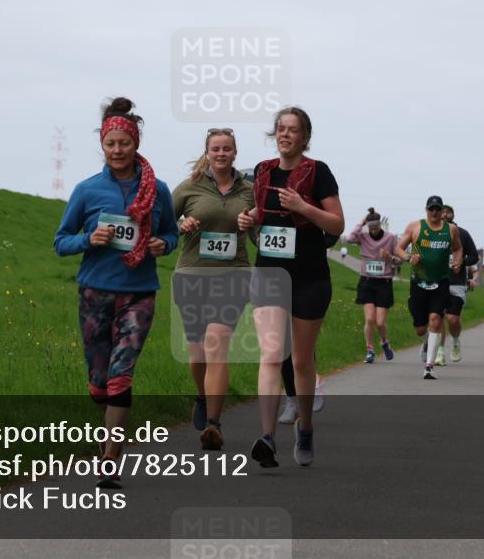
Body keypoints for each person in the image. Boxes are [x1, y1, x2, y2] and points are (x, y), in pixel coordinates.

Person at [53, 97, 179, 488]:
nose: (118, 150)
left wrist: (164, 244)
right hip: (95, 292)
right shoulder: (87, 190)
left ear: (136, 143)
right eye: (111, 144)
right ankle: (103, 408)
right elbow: (60, 241)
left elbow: (171, 233)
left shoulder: (157, 190)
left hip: (139, 291)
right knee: (99, 382)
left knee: (121, 376)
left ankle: (110, 460)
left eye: (125, 143)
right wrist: (90, 238)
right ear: (103, 147)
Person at [238, 106, 344, 468]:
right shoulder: (263, 172)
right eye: (280, 129)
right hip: (269, 273)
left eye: (293, 130)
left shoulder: (318, 172)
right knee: (270, 354)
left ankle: (306, 427)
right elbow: (260, 219)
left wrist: (303, 206)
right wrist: (248, 218)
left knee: (300, 360)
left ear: (305, 137)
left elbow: (337, 224)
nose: (285, 135)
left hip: (310, 277)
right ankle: (267, 437)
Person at [172, 128, 254, 451]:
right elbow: (164, 221)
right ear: (207, 152)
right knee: (198, 356)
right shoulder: (189, 187)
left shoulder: (250, 191)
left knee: (216, 342)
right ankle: (202, 397)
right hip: (191, 276)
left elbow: (263, 233)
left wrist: (253, 223)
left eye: (227, 149)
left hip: (233, 276)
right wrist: (181, 225)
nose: (221, 154)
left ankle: (213, 425)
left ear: (235, 153)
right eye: (216, 149)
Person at [392, 196, 463, 380]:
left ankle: (429, 366)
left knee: (436, 320)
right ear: (426, 210)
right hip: (419, 283)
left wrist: (457, 261)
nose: (434, 212)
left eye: (437, 209)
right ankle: (427, 343)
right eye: (431, 209)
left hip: (441, 282)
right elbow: (398, 248)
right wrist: (408, 257)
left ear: (443, 212)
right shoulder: (416, 227)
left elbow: (458, 249)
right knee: (420, 329)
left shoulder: (451, 229)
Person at [347, 207, 400, 363]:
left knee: (380, 322)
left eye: (376, 226)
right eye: (370, 227)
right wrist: (361, 222)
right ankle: (370, 350)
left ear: (380, 225)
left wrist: (389, 257)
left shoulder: (390, 238)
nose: (374, 230)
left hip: (384, 282)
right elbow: (350, 238)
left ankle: (384, 342)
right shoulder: (362, 237)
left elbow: (400, 260)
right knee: (369, 319)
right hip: (367, 281)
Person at [435, 205, 479, 365]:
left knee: (452, 318)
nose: (445, 214)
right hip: (436, 282)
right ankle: (439, 352)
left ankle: (455, 342)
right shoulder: (432, 232)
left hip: (456, 282)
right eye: (443, 212)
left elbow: (474, 257)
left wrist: (461, 261)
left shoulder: (463, 234)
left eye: (448, 212)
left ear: (453, 215)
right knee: (437, 319)